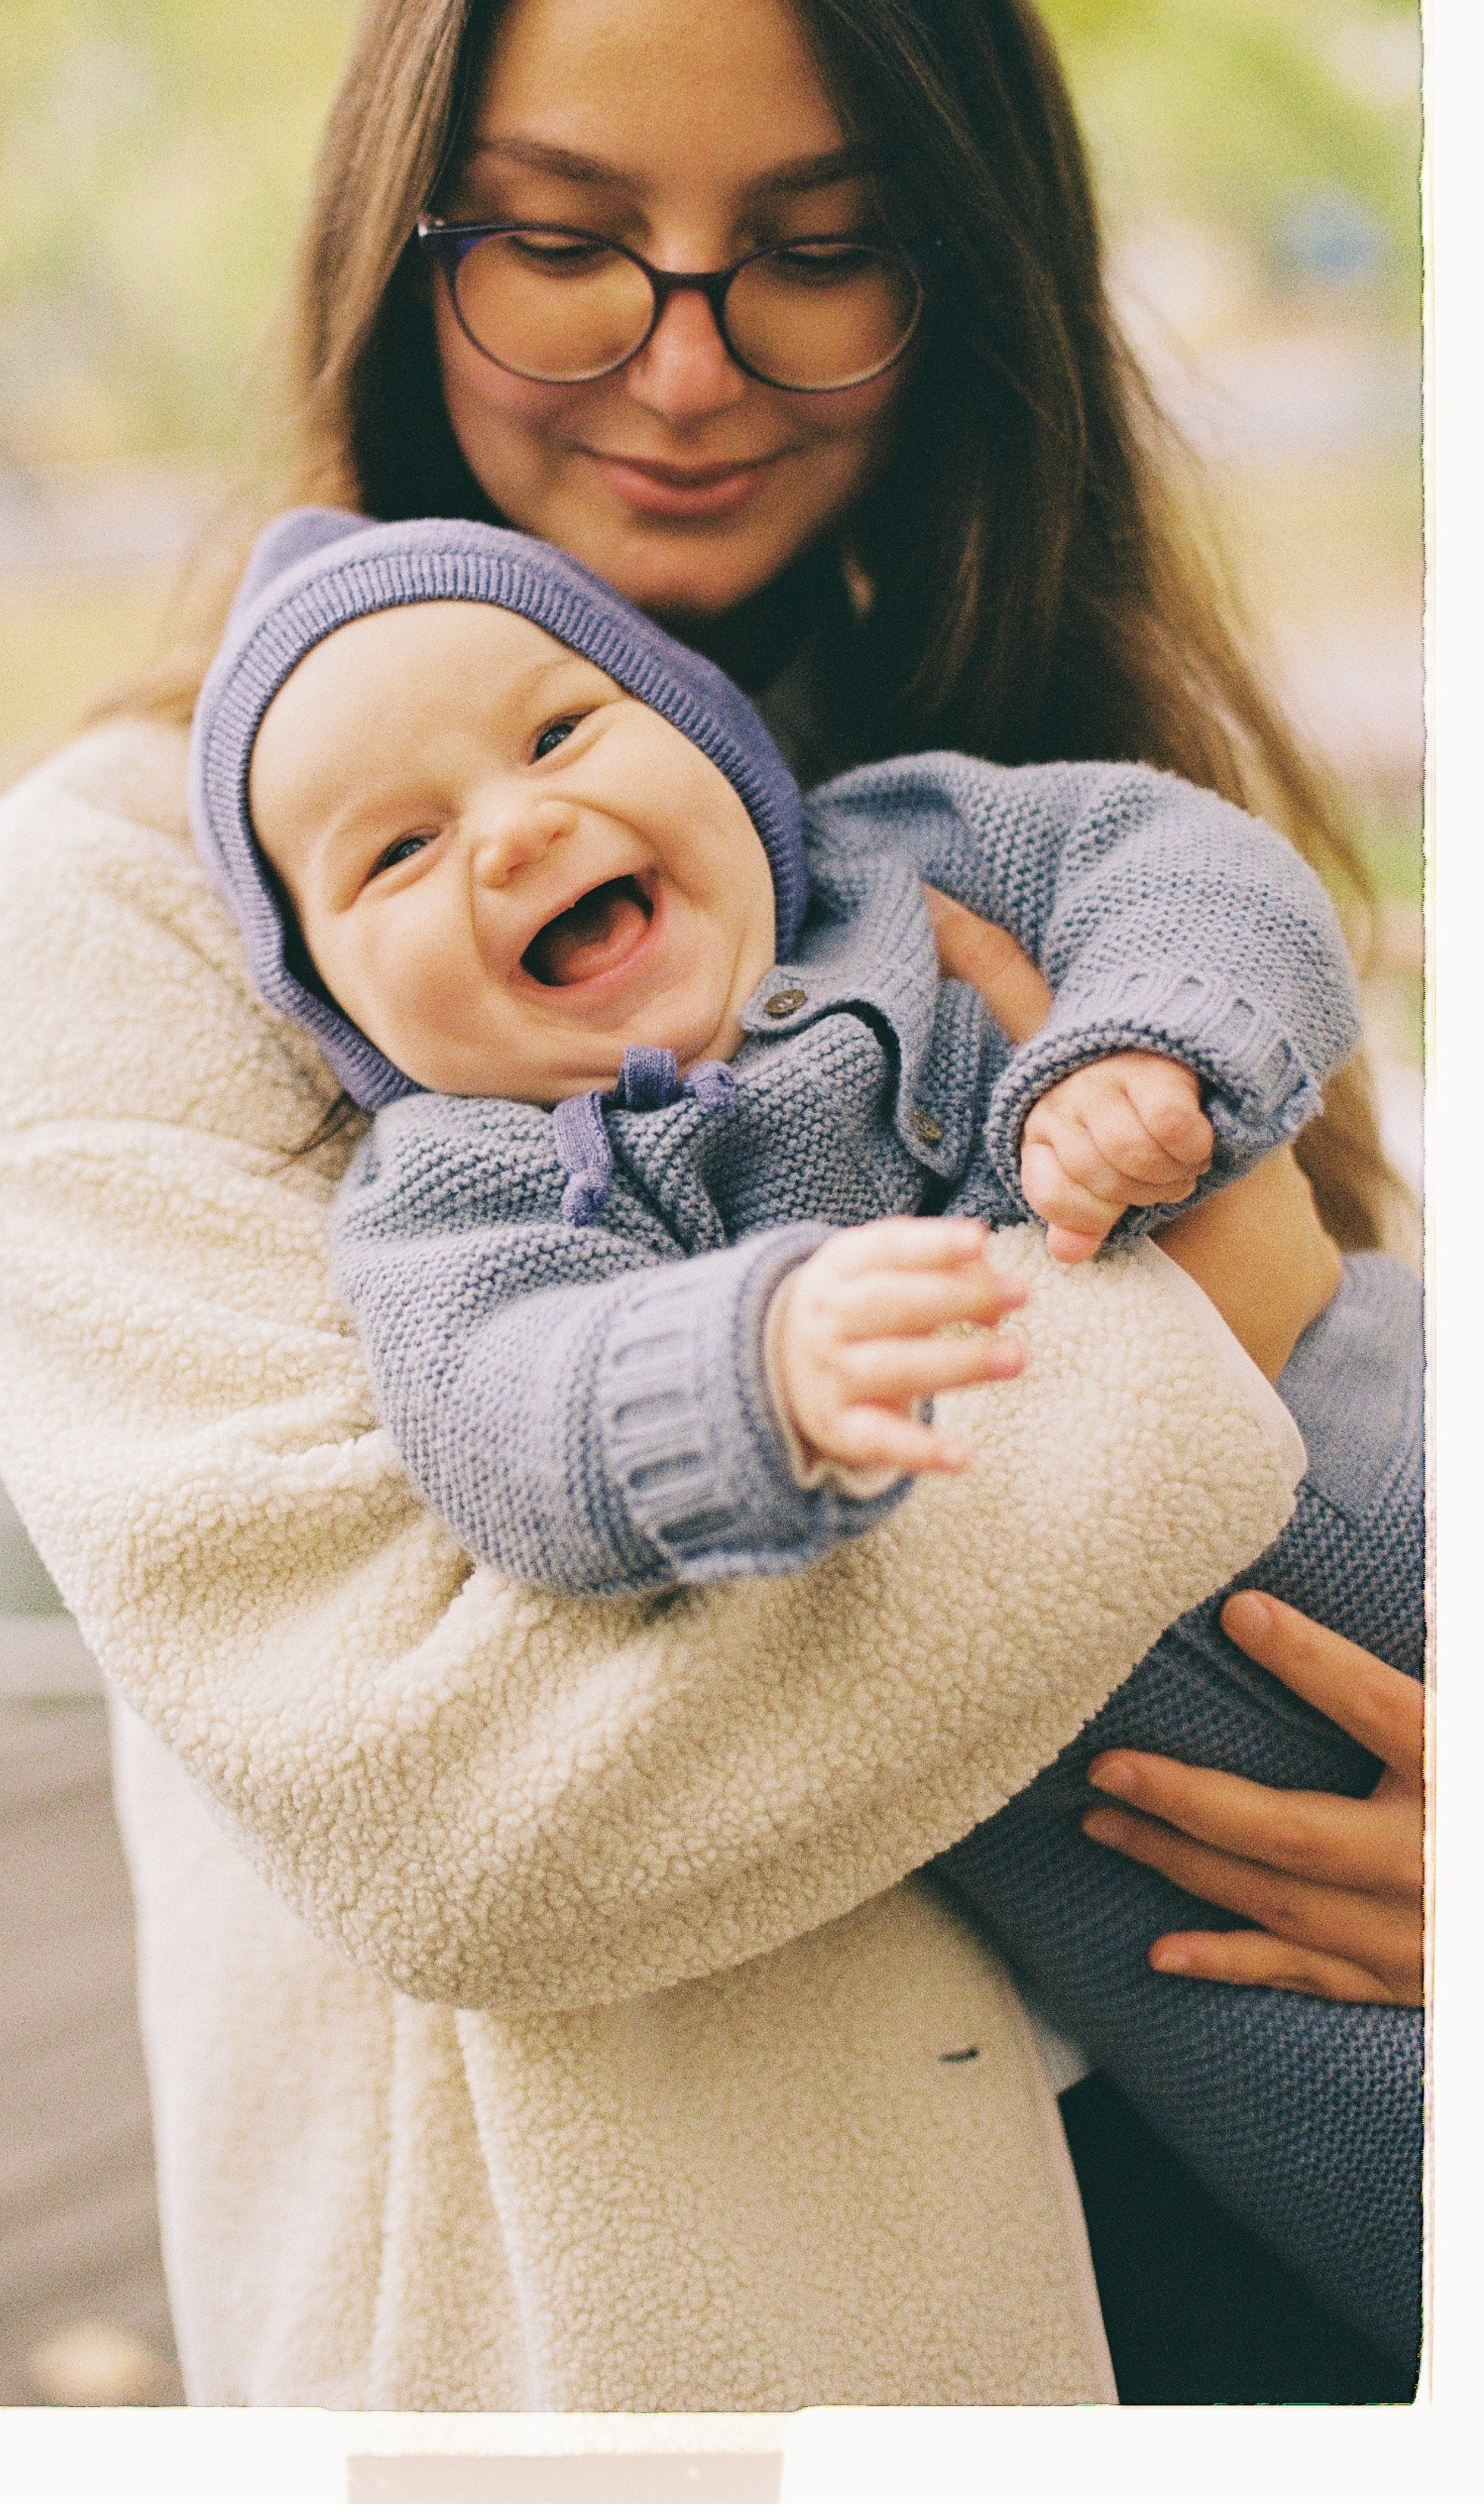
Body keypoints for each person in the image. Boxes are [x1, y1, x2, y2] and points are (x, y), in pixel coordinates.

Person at [0, 0, 1424, 2406]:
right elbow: (453, 1814)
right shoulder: (132, 904)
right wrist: (1188, 1295)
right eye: (560, 235)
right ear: (402, 240)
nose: (688, 362)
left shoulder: (986, 795)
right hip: (747, 2373)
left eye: (817, 240)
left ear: (956, 273)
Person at [184, 504, 1418, 2367]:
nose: (510, 829)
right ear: (338, 1009)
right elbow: (495, 1406)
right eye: (399, 849)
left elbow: (1196, 873)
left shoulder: (908, 848)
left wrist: (1139, 1047)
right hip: (1207, 1898)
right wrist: (741, 1369)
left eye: (555, 734)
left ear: (715, 738)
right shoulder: (466, 1190)